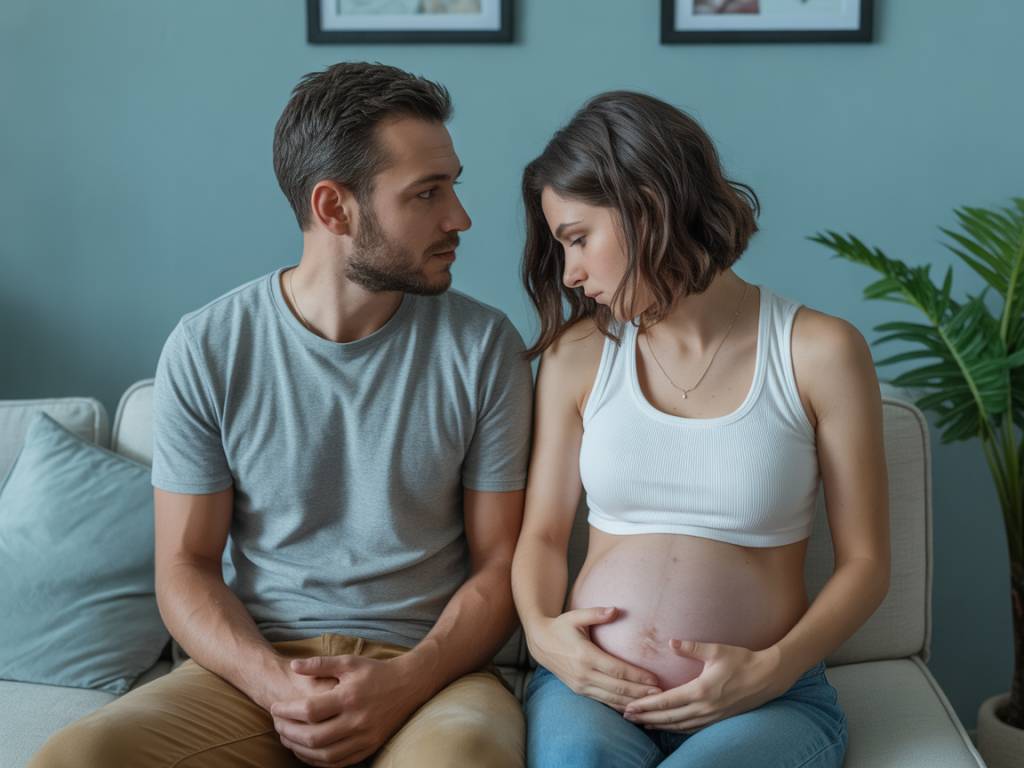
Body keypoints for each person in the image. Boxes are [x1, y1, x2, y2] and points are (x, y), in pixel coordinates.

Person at [30, 62, 532, 768]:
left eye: (451, 184)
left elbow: (500, 563)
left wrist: (403, 683)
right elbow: (185, 565)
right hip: (254, 672)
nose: (460, 217)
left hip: (431, 674)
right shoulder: (208, 347)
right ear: (335, 208)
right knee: (79, 756)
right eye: (427, 193)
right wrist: (277, 689)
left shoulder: (485, 347)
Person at [510, 90, 890, 767]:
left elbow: (866, 565)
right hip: (589, 694)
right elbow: (540, 535)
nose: (569, 273)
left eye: (577, 239)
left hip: (765, 702)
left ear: (646, 205)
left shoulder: (819, 352)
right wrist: (543, 636)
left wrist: (773, 667)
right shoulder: (578, 356)